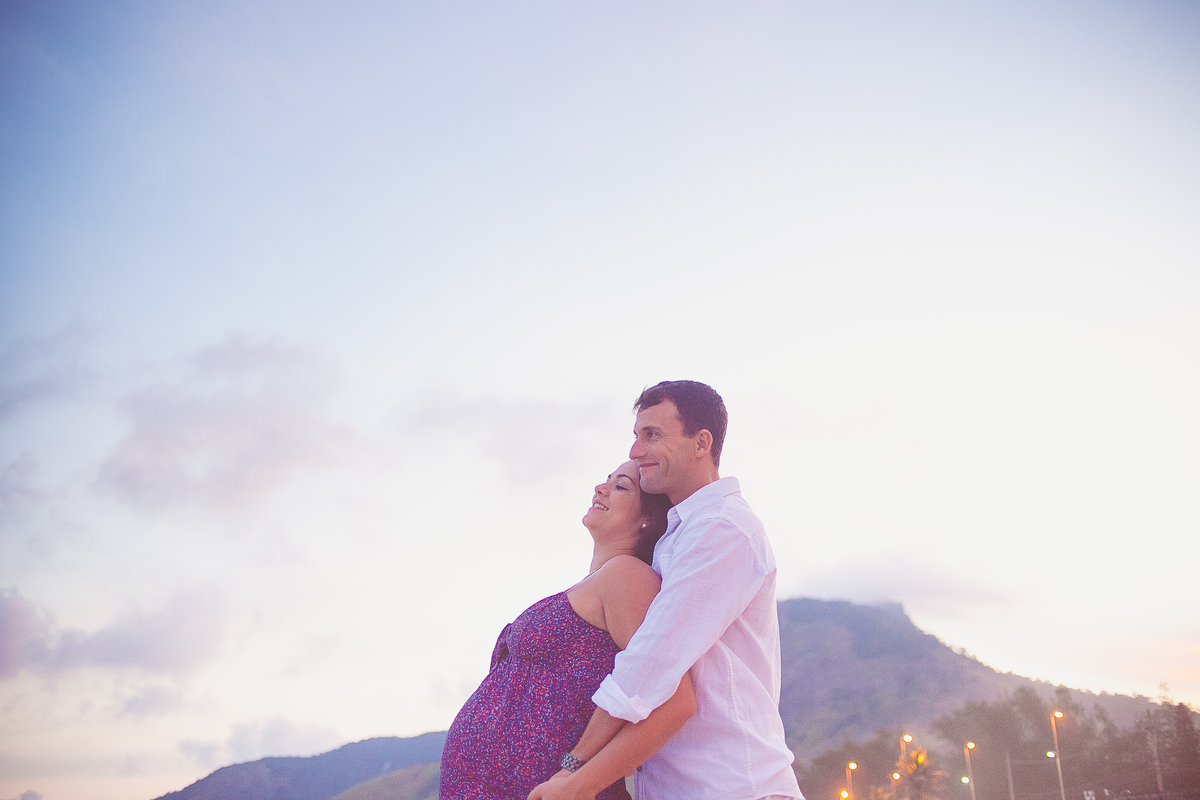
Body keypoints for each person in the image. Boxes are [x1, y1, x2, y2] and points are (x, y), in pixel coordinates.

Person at [530, 381, 803, 800]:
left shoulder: (722, 527)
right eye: (636, 436)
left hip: (733, 787)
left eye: (651, 435)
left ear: (701, 442)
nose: (637, 452)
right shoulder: (679, 535)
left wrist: (577, 772)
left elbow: (651, 660)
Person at [439, 460, 696, 800]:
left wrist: (576, 778)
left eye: (621, 486)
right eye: (606, 479)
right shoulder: (595, 583)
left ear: (647, 517)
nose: (600, 488)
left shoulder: (625, 576)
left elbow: (676, 702)